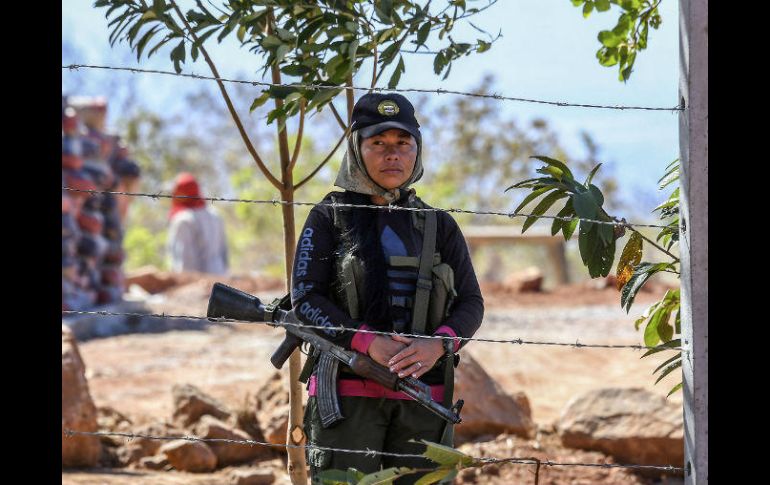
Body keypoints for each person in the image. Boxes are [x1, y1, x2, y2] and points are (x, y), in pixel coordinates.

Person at [290, 93, 484, 484]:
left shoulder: (438, 225)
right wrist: (367, 343)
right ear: (356, 150)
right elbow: (305, 299)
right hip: (345, 401)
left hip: (424, 398)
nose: (391, 155)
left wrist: (438, 344)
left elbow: (471, 303)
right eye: (377, 143)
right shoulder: (329, 217)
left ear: (417, 149)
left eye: (403, 143)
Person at [166, 172, 229, 275]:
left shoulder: (183, 220)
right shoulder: (215, 215)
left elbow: (184, 263)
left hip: (196, 285)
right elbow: (224, 254)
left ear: (181, 194)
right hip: (220, 281)